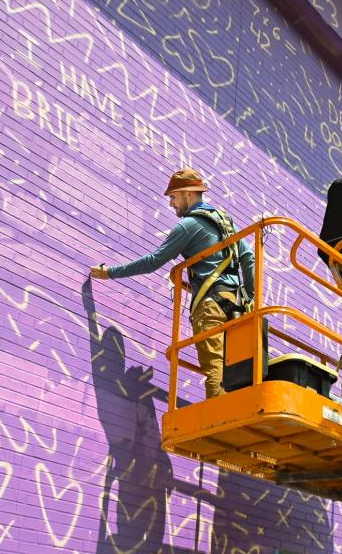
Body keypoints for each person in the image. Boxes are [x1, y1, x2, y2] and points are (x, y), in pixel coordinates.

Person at [89, 169, 255, 399]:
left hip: (211, 308)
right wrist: (250, 295)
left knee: (215, 367)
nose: (171, 204)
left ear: (188, 194)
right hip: (236, 307)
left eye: (173, 197)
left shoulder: (188, 225)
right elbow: (248, 257)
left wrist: (110, 273)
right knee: (236, 370)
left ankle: (222, 426)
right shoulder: (225, 222)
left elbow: (153, 262)